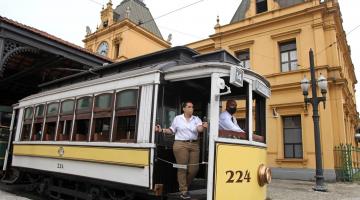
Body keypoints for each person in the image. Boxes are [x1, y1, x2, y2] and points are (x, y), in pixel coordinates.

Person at [155, 101, 207, 200]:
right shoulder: (177, 118)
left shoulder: (196, 119)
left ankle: (183, 186)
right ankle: (183, 190)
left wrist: (203, 126)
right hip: (180, 144)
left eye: (192, 107)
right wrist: (162, 130)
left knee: (194, 169)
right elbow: (172, 130)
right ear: (184, 109)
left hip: (194, 144)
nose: (191, 108)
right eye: (189, 107)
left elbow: (199, 129)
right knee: (182, 168)